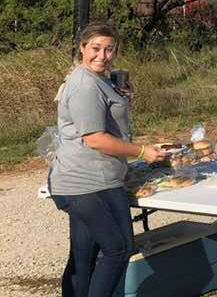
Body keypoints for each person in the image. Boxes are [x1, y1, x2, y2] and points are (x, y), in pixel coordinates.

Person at [49, 23, 167, 297]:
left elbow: (108, 121)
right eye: (95, 48)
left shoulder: (101, 78)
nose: (102, 55)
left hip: (102, 177)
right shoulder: (84, 85)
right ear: (82, 48)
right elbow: (94, 139)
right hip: (85, 183)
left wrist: (121, 97)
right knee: (118, 249)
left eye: (109, 49)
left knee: (84, 255)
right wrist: (141, 151)